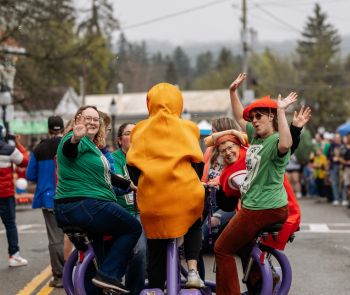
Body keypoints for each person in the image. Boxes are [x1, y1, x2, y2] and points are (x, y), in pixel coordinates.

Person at [214, 73, 297, 295]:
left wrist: (281, 111)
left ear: (271, 116)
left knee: (221, 249)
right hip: (256, 207)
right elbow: (241, 118)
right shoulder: (256, 136)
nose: (255, 120)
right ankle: (262, 284)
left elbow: (287, 142)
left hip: (263, 208)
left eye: (259, 116)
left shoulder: (275, 141)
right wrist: (232, 92)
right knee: (240, 244)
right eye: (254, 118)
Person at [54, 105, 142, 294]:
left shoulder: (93, 148)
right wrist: (76, 137)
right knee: (133, 227)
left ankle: (100, 279)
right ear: (78, 119)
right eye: (88, 118)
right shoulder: (74, 140)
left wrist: (131, 186)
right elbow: (69, 149)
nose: (93, 122)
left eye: (96, 119)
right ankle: (110, 275)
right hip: (84, 204)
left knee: (95, 258)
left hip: (76, 208)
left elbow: (107, 176)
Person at [127, 83, 205, 289]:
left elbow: (132, 168)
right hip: (185, 195)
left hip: (153, 200)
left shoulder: (139, 129)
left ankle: (155, 286)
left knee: (155, 245)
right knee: (195, 222)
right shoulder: (189, 128)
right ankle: (193, 271)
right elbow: (198, 165)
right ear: (178, 103)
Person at [26, 116, 65, 287]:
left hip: (49, 198)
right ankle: (77, 271)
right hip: (71, 196)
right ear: (63, 129)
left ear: (48, 130)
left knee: (55, 238)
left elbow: (30, 175)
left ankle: (60, 276)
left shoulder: (39, 148)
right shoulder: (70, 145)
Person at [112, 122, 147, 295]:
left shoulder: (148, 158)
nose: (133, 136)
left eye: (136, 133)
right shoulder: (113, 159)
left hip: (146, 212)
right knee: (137, 250)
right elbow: (116, 181)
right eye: (127, 133)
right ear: (119, 140)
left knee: (141, 252)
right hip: (121, 212)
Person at [0, 124, 29, 267]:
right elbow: (25, 161)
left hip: (6, 194)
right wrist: (18, 144)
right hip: (5, 194)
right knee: (10, 225)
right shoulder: (9, 150)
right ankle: (14, 256)